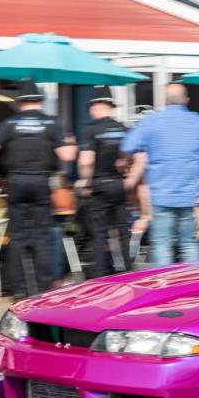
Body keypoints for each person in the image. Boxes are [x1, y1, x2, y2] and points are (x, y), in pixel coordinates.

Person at [0, 80, 76, 298]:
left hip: (16, 182)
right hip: (41, 182)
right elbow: (68, 156)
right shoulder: (52, 124)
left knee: (18, 237)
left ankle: (19, 290)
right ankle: (42, 288)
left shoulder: (9, 123)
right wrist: (69, 142)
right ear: (40, 102)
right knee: (42, 236)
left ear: (20, 102)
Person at [121, 83, 199, 266]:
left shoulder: (151, 121)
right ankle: (192, 282)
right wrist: (195, 158)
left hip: (160, 194)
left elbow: (128, 146)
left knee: (161, 244)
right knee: (189, 242)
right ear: (186, 100)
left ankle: (165, 285)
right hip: (188, 194)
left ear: (165, 101)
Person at [78, 86, 131, 278]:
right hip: (118, 184)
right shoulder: (124, 129)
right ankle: (126, 270)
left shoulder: (91, 129)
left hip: (99, 184)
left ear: (98, 106)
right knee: (123, 231)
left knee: (99, 233)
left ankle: (100, 274)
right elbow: (130, 157)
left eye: (92, 106)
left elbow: (86, 160)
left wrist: (86, 182)